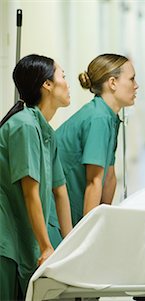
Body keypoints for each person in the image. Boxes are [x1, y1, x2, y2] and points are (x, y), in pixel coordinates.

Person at [0, 54, 73, 300]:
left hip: (24, 235)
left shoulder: (45, 131)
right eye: (63, 75)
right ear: (47, 84)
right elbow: (30, 193)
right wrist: (46, 246)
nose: (68, 82)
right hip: (6, 239)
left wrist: (71, 243)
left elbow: (59, 190)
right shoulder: (24, 126)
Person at [56, 53, 139, 226]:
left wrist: (104, 224)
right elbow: (93, 182)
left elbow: (108, 177)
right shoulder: (98, 118)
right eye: (132, 79)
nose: (136, 86)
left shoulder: (109, 116)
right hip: (55, 213)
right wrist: (89, 234)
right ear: (112, 83)